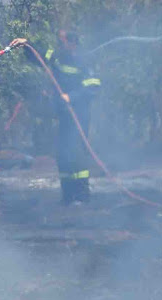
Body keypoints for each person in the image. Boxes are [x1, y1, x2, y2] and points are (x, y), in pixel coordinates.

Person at [10, 30, 101, 204]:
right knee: (63, 153)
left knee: (75, 153)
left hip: (78, 114)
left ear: (72, 43)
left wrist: (71, 97)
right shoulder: (58, 57)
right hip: (64, 114)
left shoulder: (84, 61)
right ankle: (68, 196)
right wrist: (26, 44)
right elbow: (40, 55)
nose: (59, 45)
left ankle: (82, 196)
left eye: (62, 42)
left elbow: (93, 86)